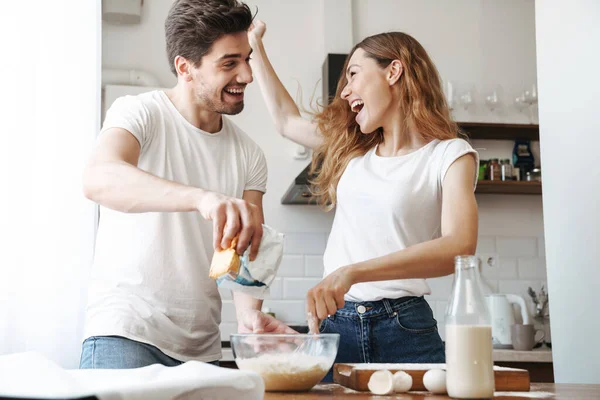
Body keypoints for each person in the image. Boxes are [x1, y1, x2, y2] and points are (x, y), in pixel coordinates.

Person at [248, 21, 479, 378]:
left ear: (394, 71)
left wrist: (352, 273)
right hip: (335, 328)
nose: (345, 92)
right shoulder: (354, 151)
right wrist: (254, 46)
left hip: (405, 327)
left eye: (353, 74)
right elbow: (286, 120)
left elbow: (459, 246)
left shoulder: (449, 156)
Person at [79, 0, 294, 370]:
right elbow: (98, 178)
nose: (246, 75)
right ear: (185, 67)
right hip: (126, 335)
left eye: (246, 59)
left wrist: (248, 318)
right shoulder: (139, 112)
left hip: (203, 351)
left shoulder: (250, 155)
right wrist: (201, 198)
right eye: (229, 63)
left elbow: (245, 253)